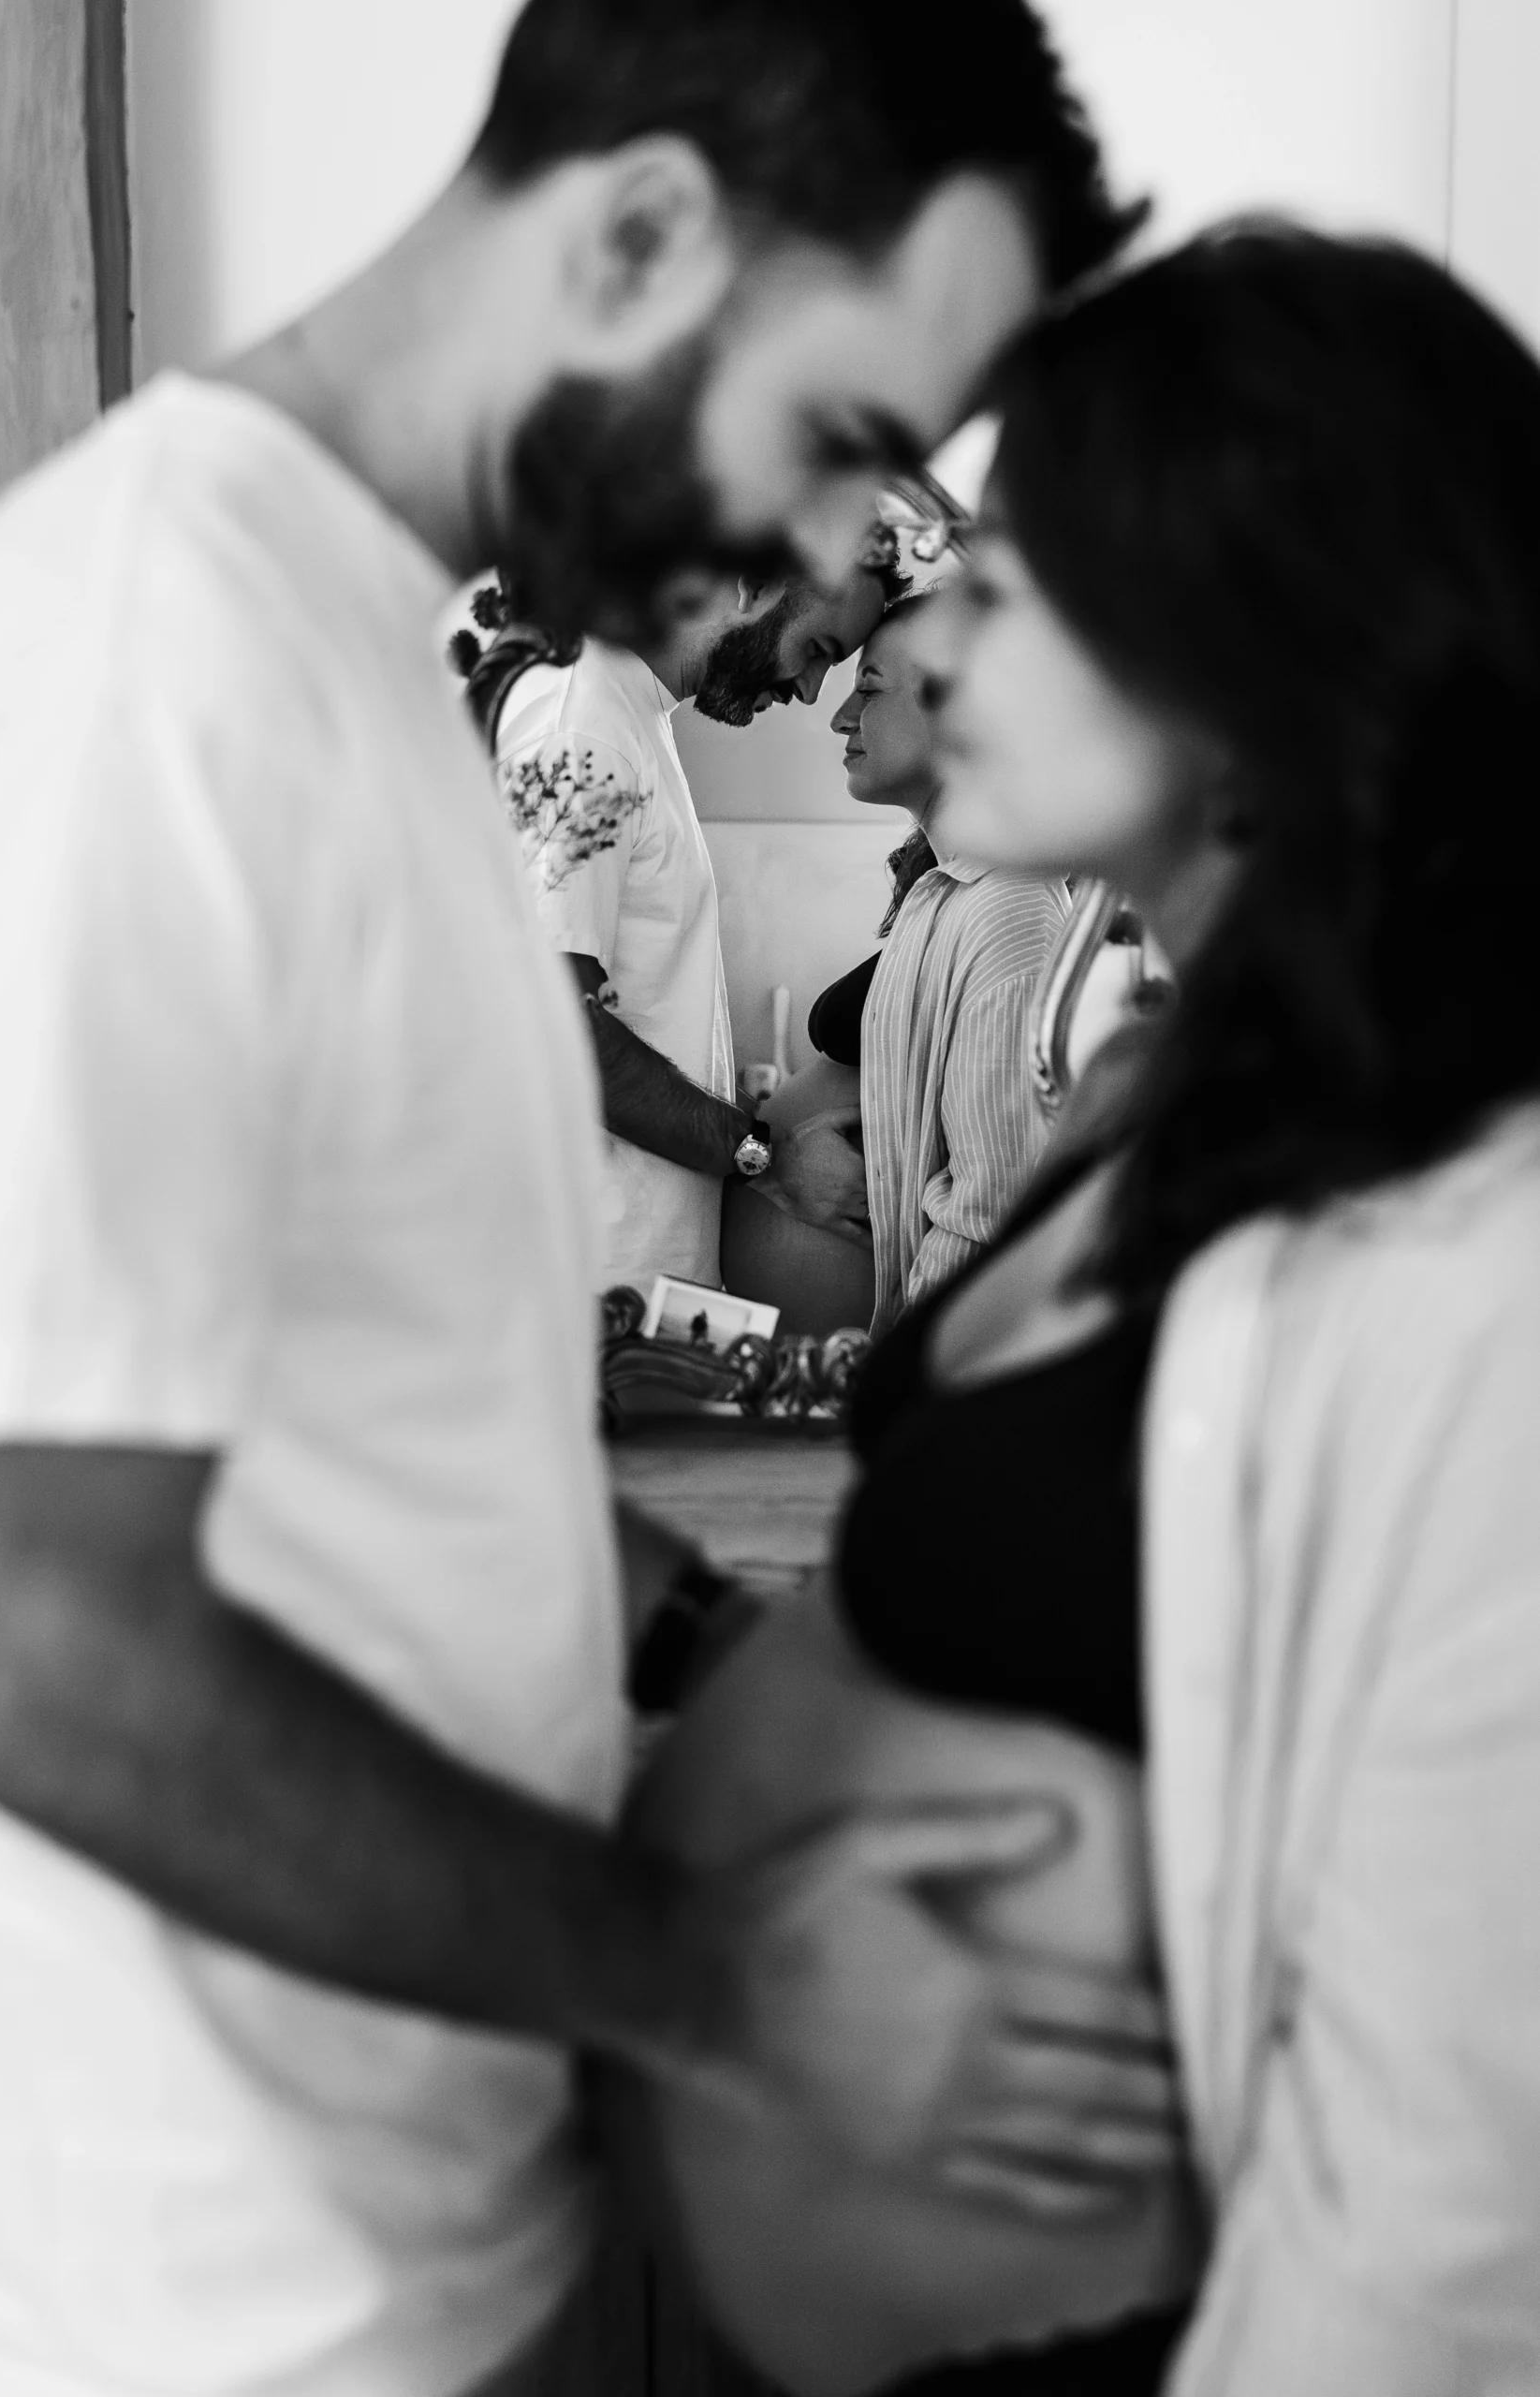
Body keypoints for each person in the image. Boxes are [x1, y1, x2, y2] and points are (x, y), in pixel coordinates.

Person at [0, 4, 1150, 2393]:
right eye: (838, 438)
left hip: (450, 2205)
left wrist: (708, 1645)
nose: (841, 561)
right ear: (631, 233)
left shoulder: (380, 671)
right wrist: (715, 1972)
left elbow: (395, 1416)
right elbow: (12, 1620)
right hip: (219, 2310)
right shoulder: (138, 673)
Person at [626, 222, 1540, 2397]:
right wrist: (693, 1644)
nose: (923, 636)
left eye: (1010, 580)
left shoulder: (1472, 1251)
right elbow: (1104, 1640)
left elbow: (1443, 2193)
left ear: (1247, 655)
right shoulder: (1173, 1082)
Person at [491, 559, 900, 1296]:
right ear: (750, 583)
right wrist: (766, 1157)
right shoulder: (582, 726)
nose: (811, 691)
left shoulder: (627, 712)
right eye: (818, 650)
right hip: (585, 1287)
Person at [829, 591, 1067, 1334]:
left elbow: (989, 1219)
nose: (840, 718)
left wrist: (899, 1381)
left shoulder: (1011, 915)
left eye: (868, 689)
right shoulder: (937, 894)